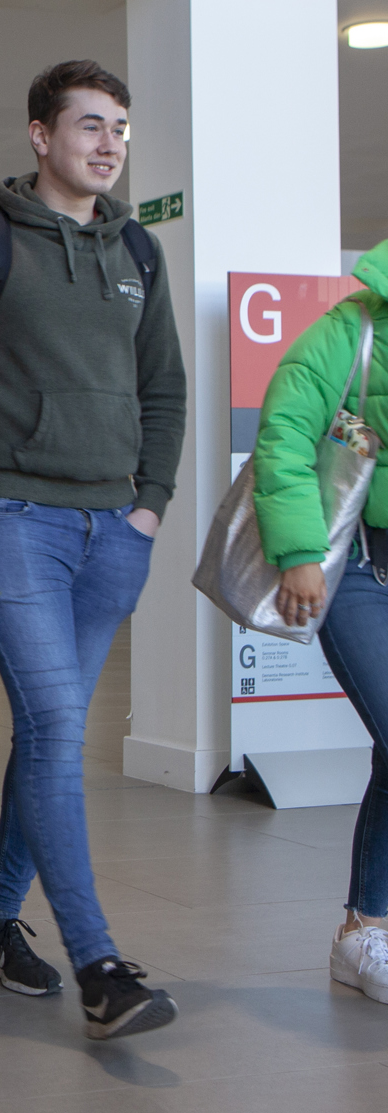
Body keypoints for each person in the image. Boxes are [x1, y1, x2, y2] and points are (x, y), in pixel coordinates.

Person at [0, 60, 187, 1040]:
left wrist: (148, 508)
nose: (109, 144)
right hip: (9, 516)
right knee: (61, 723)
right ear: (40, 135)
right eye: (89, 126)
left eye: (120, 128)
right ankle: (98, 964)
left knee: (45, 734)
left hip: (113, 528)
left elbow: (166, 390)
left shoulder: (137, 252)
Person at [253, 241, 388, 1007]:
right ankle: (366, 928)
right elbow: (285, 437)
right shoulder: (350, 331)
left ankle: (363, 930)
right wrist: (299, 550)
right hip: (360, 574)